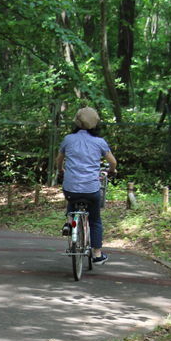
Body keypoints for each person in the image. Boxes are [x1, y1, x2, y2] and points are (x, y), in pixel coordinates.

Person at [56, 107, 117, 265]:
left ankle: (70, 222)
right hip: (91, 188)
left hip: (70, 187)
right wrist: (111, 171)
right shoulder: (99, 142)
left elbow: (59, 160)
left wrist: (61, 170)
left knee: (72, 198)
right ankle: (97, 254)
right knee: (95, 219)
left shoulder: (68, 139)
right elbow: (113, 162)